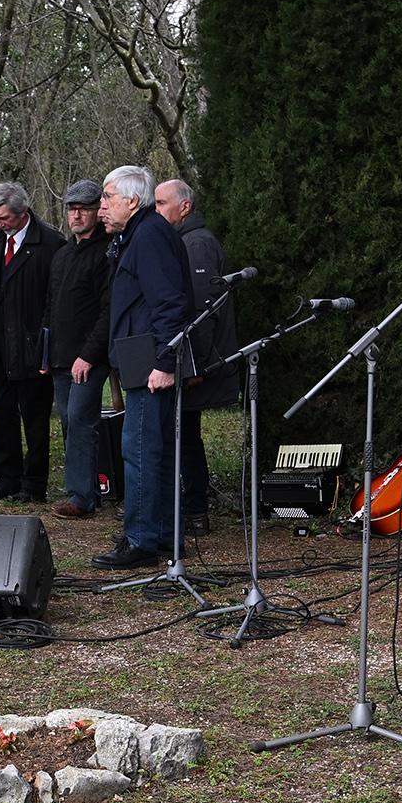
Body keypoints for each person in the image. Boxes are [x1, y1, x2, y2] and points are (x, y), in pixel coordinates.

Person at [91, 165, 189, 570]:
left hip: (150, 363)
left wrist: (165, 361)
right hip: (140, 358)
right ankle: (161, 532)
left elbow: (170, 302)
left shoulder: (148, 236)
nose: (101, 207)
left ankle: (141, 539)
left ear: (132, 201)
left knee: (140, 449)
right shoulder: (138, 235)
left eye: (107, 197)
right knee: (153, 448)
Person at [155, 179, 240, 536]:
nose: (157, 211)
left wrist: (196, 366)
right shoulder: (183, 241)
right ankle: (187, 508)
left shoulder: (196, 244)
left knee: (185, 436)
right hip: (189, 361)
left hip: (195, 364)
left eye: (161, 203)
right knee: (182, 433)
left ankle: (194, 510)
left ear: (184, 207)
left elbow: (204, 310)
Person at [0, 181, 54, 502]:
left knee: (35, 421)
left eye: (5, 219)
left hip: (33, 350)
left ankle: (34, 484)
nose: (0, 225)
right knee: (2, 417)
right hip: (0, 350)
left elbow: (53, 301)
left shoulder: (50, 243)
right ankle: (6, 478)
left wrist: (46, 351)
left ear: (23, 213)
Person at [47, 178, 112, 519]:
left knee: (81, 419)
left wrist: (89, 354)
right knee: (70, 423)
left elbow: (108, 310)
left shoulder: (106, 253)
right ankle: (84, 490)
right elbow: (51, 307)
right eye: (72, 208)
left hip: (89, 356)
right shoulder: (62, 255)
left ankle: (81, 496)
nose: (76, 215)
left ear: (97, 212)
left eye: (84, 208)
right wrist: (47, 353)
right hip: (59, 356)